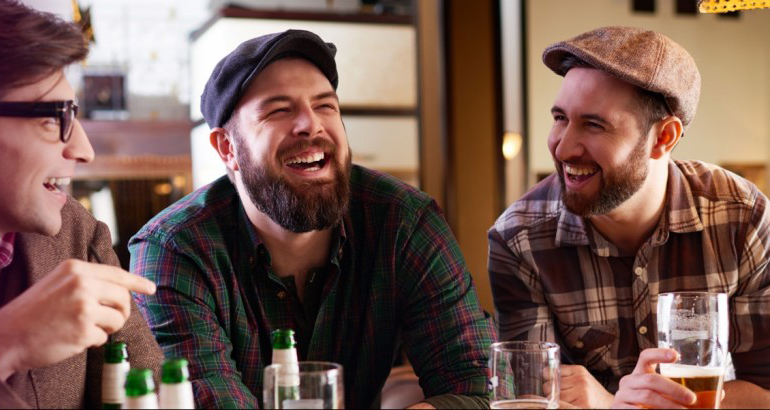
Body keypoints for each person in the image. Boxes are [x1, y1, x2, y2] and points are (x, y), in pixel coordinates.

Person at [129, 29, 495, 409]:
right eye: (279, 110)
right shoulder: (175, 250)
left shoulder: (403, 222)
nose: (311, 125)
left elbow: (480, 385)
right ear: (228, 148)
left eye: (325, 106)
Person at [488, 26, 770, 408]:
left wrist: (624, 403)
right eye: (559, 118)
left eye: (593, 124)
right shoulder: (518, 239)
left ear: (664, 138)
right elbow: (527, 398)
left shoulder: (742, 217)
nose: (564, 147)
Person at [0, 1, 163, 408]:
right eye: (56, 118)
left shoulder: (78, 235)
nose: (84, 150)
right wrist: (10, 340)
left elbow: (153, 392)